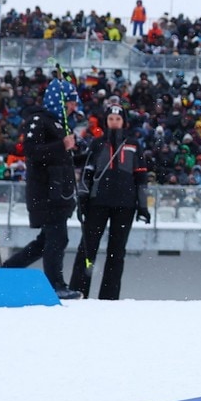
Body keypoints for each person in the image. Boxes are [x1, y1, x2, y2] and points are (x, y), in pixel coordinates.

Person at [0, 77, 84, 300]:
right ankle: (55, 284)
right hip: (47, 192)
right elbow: (31, 150)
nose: (75, 106)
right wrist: (61, 145)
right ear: (60, 101)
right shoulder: (39, 120)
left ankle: (9, 268)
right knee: (57, 238)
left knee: (46, 241)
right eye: (71, 101)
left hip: (59, 192)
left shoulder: (59, 123)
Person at [68, 104, 151, 300]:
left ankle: (109, 296)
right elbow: (87, 174)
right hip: (98, 203)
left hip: (125, 205)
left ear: (124, 122)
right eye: (111, 119)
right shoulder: (97, 144)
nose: (114, 123)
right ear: (106, 122)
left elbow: (141, 178)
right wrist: (82, 199)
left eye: (118, 119)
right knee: (87, 249)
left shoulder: (133, 145)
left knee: (117, 252)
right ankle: (79, 291)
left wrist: (143, 206)